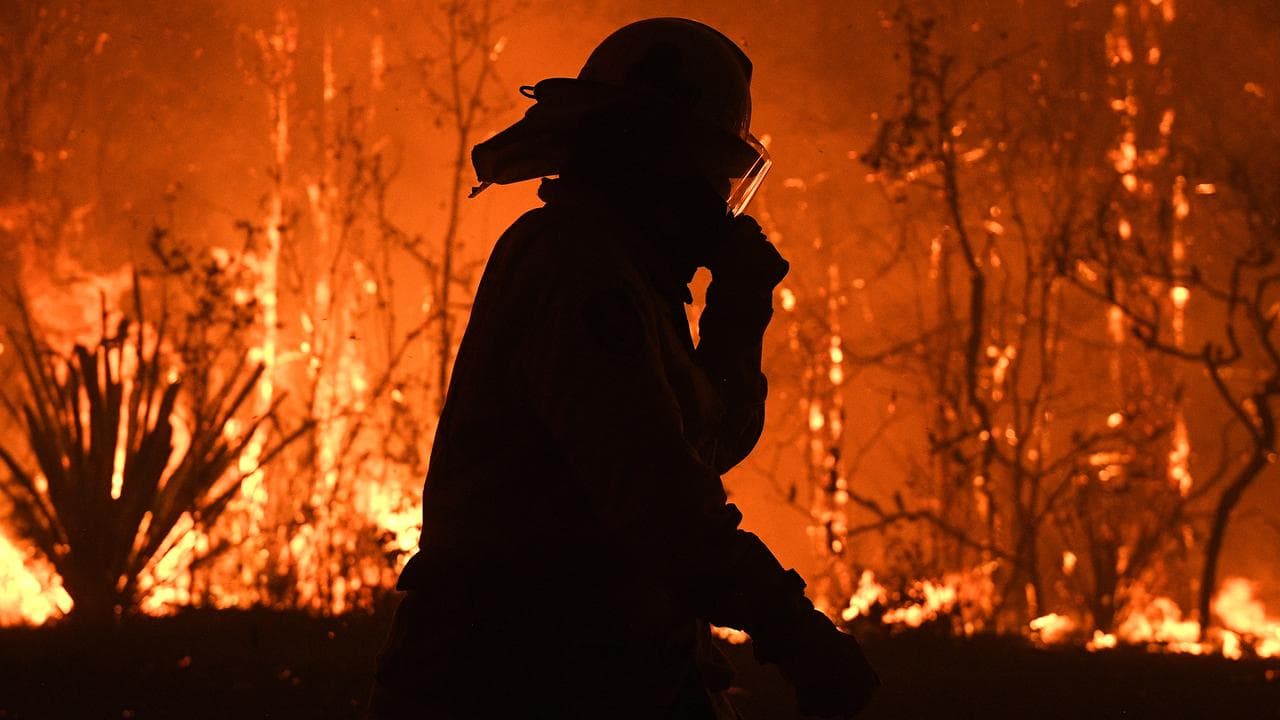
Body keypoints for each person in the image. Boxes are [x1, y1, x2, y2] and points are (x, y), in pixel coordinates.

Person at [369, 17, 879, 720]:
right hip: (514, 681)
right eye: (706, 172)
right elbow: (661, 501)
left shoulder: (623, 275)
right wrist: (795, 633)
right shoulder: (578, 272)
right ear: (654, 158)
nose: (715, 202)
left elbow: (705, 446)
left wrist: (738, 311)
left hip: (593, 673)